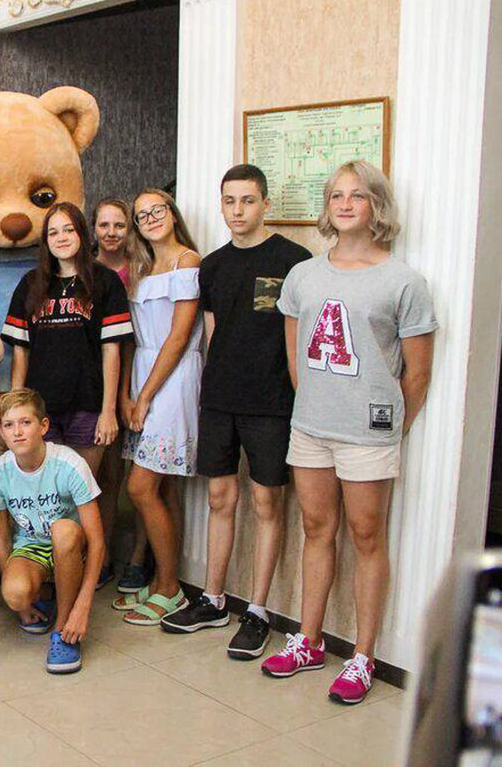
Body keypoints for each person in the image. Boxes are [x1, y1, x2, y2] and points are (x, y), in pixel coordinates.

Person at [262, 160, 435, 705]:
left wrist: (390, 429)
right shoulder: (304, 275)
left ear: (375, 205)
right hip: (311, 428)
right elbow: (295, 354)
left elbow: (417, 373)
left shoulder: (403, 281)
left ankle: (362, 656)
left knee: (366, 537)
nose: (344, 204)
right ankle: (309, 641)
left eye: (356, 195)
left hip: (368, 434)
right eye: (336, 195)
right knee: (316, 529)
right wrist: (315, 406)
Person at [160, 165, 311, 660]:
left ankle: (259, 611)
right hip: (219, 399)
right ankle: (214, 599)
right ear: (221, 205)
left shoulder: (295, 262)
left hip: (272, 403)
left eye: (248, 200)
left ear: (266, 204)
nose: (238, 210)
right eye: (230, 201)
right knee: (220, 499)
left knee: (267, 504)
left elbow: (301, 338)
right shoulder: (213, 265)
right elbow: (211, 333)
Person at [3, 200, 130, 503]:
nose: (61, 237)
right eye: (53, 232)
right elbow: (21, 352)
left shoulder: (105, 281)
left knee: (81, 494)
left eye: (68, 230)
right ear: (46, 241)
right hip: (40, 408)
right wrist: (16, 410)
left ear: (82, 234)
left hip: (88, 404)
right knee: (46, 494)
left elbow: (112, 350)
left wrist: (108, 411)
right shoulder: (30, 284)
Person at [116, 188, 202, 626]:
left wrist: (147, 395)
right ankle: (162, 581)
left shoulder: (188, 262)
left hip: (174, 377)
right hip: (143, 372)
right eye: (142, 214)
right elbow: (133, 338)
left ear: (172, 213)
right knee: (162, 490)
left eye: (157, 210)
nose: (151, 218)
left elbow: (179, 336)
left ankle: (171, 588)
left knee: (141, 487)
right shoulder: (140, 269)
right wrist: (127, 394)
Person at [0, 389, 104, 674]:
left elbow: (97, 542)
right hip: (30, 547)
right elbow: (1, 539)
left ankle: (63, 630)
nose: (17, 432)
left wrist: (83, 606)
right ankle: (44, 594)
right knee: (15, 593)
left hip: (71, 544)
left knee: (62, 529)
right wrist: (20, 607)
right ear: (1, 432)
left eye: (25, 422)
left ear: (43, 426)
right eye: (9, 425)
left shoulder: (70, 464)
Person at [92, 197, 146, 594]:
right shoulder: (83, 271)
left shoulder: (140, 270)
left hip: (134, 375)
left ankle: (134, 557)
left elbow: (126, 342)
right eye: (104, 225)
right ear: (93, 230)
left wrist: (123, 394)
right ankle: (100, 556)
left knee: (128, 478)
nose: (111, 233)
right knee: (97, 476)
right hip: (91, 380)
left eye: (119, 225)